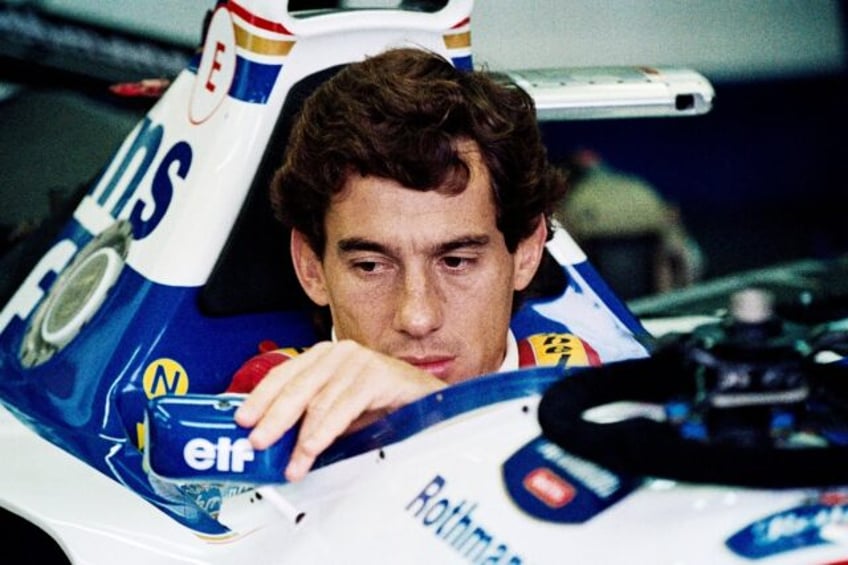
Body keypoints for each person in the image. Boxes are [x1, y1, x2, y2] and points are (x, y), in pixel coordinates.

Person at [228, 47, 601, 483]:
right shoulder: (273, 403)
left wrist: (433, 412)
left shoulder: (595, 394)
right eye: (371, 266)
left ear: (527, 252)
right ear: (311, 266)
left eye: (457, 261)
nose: (417, 317)